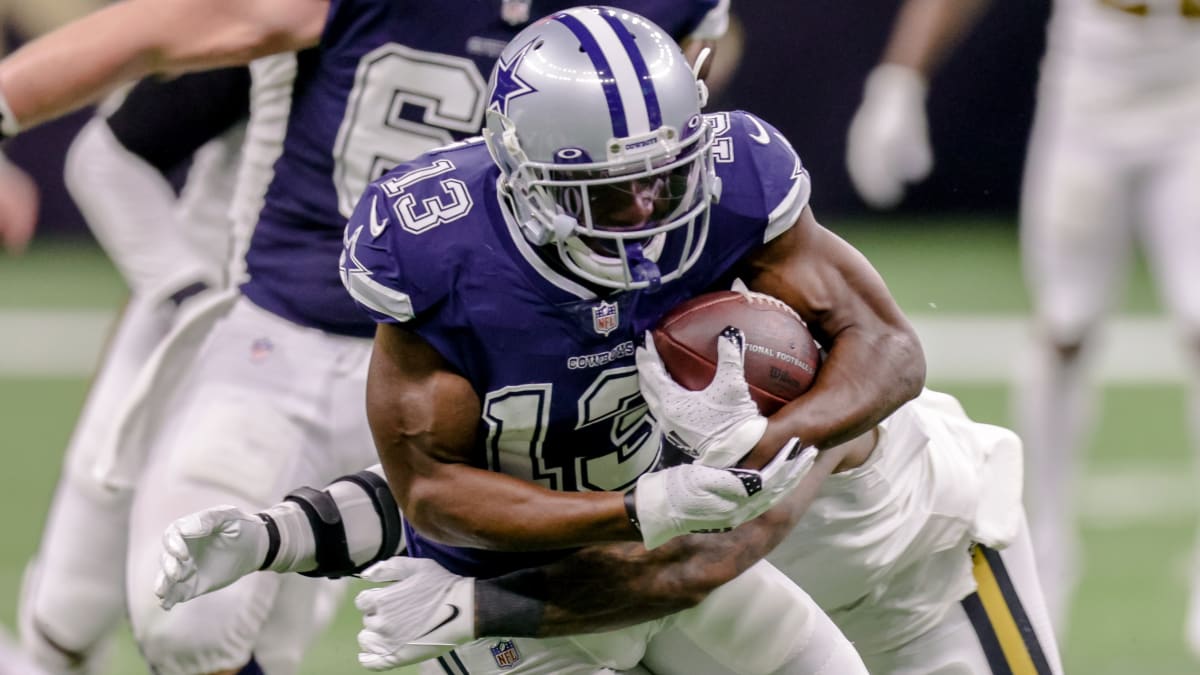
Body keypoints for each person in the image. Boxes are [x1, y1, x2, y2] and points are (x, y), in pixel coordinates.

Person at [160, 7, 935, 673]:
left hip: (665, 558)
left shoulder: (735, 189)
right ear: (523, 178)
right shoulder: (441, 249)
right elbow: (428, 491)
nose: (646, 213)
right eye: (608, 193)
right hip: (529, 593)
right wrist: (644, 505)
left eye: (663, 180)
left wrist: (760, 443)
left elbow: (891, 350)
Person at [0, 2, 732, 674]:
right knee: (168, 613)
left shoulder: (637, 32)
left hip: (477, 364)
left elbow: (668, 175)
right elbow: (154, 44)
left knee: (520, 634)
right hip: (274, 330)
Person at [844, 0, 1200, 642]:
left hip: (1193, 90)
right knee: (1065, 324)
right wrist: (901, 76)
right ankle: (1049, 546)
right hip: (1092, 86)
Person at [15, 68, 345, 675]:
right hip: (199, 327)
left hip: (331, 361)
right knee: (70, 609)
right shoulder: (301, 24)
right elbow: (105, 158)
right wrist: (188, 295)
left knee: (259, 636)